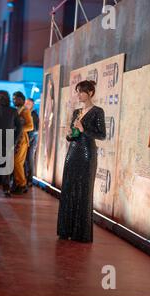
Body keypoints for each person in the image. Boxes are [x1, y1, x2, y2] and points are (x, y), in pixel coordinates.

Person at [57, 80, 106, 243]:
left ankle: (80, 233)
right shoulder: (76, 112)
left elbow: (102, 135)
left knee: (83, 190)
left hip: (87, 154)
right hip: (72, 152)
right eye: (77, 91)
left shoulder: (98, 111)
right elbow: (72, 136)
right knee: (68, 188)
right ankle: (66, 229)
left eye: (81, 92)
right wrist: (70, 134)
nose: (78, 95)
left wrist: (84, 130)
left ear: (90, 93)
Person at [12, 91, 33, 195]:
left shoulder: (25, 111)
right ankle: (18, 183)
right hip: (15, 140)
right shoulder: (16, 110)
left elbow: (31, 126)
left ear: (21, 99)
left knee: (18, 163)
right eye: (13, 98)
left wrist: (18, 129)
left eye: (16, 98)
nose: (13, 100)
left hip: (22, 141)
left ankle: (22, 184)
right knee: (14, 163)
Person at [24, 98, 39, 187]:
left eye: (28, 103)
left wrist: (29, 140)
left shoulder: (34, 115)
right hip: (26, 139)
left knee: (29, 159)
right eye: (26, 103)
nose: (26, 104)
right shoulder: (26, 113)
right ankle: (25, 179)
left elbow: (35, 130)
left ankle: (29, 179)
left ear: (32, 105)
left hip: (31, 140)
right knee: (25, 160)